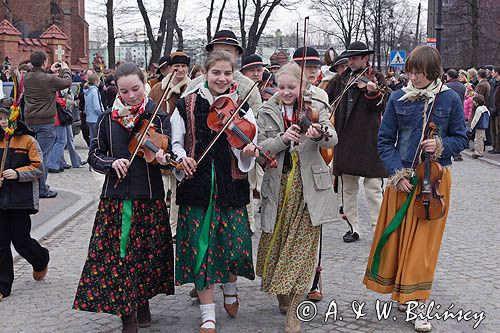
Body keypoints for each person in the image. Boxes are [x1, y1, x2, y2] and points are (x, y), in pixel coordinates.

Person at [363, 45, 467, 332]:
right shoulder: (398, 97)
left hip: (433, 183)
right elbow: (385, 141)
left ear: (432, 72)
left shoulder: (450, 99)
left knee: (422, 246)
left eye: (419, 73)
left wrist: (442, 144)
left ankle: (416, 301)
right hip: (402, 180)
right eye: (410, 71)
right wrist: (397, 173)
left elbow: (462, 137)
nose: (413, 77)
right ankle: (403, 292)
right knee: (396, 240)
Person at [73, 63, 174, 332]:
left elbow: (169, 157)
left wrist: (164, 159)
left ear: (145, 85)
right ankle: (127, 313)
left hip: (149, 198)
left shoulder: (159, 117)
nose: (131, 96)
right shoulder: (108, 119)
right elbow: (94, 155)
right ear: (116, 90)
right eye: (124, 91)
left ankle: (142, 301)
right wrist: (111, 163)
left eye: (136, 89)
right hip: (116, 200)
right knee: (119, 258)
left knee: (145, 256)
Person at [170, 50, 258, 333]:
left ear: (234, 75)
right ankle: (208, 313)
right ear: (205, 74)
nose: (221, 78)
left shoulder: (243, 108)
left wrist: (247, 150)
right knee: (201, 248)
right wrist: (182, 157)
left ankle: (230, 286)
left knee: (232, 245)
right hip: (197, 186)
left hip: (230, 185)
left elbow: (245, 155)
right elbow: (176, 143)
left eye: (227, 73)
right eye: (216, 72)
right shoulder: (185, 105)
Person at [255, 62, 337, 333]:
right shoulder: (267, 110)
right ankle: (283, 292)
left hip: (308, 189)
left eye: (293, 87)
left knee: (302, 249)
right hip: (278, 188)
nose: (287, 92)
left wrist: (318, 132)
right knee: (277, 243)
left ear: (303, 86)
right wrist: (282, 138)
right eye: (282, 87)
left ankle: (294, 311)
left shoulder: (316, 107)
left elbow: (332, 139)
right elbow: (261, 148)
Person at [332, 41, 387, 243]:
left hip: (369, 140)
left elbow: (382, 106)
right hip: (345, 140)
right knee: (348, 189)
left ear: (366, 58)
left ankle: (379, 230)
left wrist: (372, 93)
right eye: (350, 58)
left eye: (355, 58)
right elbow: (327, 99)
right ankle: (353, 227)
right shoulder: (341, 79)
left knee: (373, 189)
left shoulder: (376, 78)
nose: (351, 62)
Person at [0, 97, 49, 302]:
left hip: (20, 201)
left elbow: (38, 168)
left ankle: (40, 259)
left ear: (15, 117)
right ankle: (3, 286)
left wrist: (18, 173)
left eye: (5, 117)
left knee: (21, 242)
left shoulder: (28, 140)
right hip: (1, 201)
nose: (2, 121)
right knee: (1, 244)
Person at [149, 51, 191, 238]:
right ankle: (159, 225)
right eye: (177, 66)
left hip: (180, 142)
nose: (180, 70)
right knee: (159, 188)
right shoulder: (158, 88)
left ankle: (174, 228)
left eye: (183, 67)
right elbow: (148, 110)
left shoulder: (191, 88)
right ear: (170, 68)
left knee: (176, 190)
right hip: (159, 141)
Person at [23, 51, 72, 198]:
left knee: (31, 156)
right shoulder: (49, 79)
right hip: (45, 124)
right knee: (42, 158)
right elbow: (67, 82)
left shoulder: (27, 78)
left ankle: (30, 187)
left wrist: (50, 71)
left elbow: (39, 78)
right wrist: (64, 69)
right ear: (44, 62)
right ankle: (41, 189)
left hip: (30, 122)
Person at [83, 73, 104, 152]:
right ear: (96, 81)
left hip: (89, 118)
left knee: (92, 139)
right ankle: (93, 156)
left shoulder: (86, 90)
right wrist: (102, 114)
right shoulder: (94, 91)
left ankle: (90, 156)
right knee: (96, 140)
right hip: (96, 118)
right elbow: (97, 107)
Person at [471, 94, 490, 158]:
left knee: (477, 139)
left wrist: (471, 127)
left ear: (477, 102)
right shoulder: (485, 108)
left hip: (479, 126)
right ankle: (481, 151)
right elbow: (489, 115)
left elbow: (476, 119)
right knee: (481, 139)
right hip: (484, 126)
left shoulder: (479, 109)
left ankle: (478, 152)